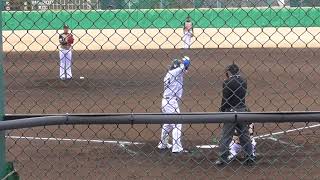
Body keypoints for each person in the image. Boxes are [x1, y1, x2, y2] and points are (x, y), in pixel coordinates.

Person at [215, 64, 255, 166]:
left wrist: (222, 110)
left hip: (230, 111)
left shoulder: (227, 82)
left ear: (229, 72)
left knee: (226, 136)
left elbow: (225, 99)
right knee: (244, 135)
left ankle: (222, 158)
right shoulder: (243, 81)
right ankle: (249, 156)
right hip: (242, 110)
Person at [157, 56, 191, 153]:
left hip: (166, 101)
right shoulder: (174, 73)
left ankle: (163, 144)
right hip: (170, 102)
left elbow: (184, 69)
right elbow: (186, 64)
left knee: (168, 124)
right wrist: (186, 60)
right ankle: (177, 148)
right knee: (177, 124)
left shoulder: (171, 74)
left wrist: (184, 66)